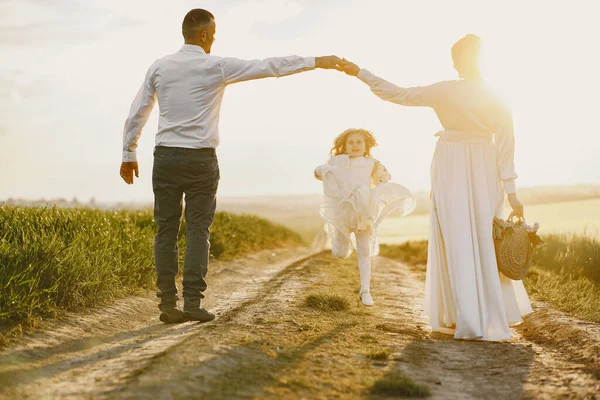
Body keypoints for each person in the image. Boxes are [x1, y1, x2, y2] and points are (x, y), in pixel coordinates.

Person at [119, 8, 343, 324]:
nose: (214, 39)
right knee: (198, 230)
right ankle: (194, 304)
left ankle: (168, 306)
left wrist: (129, 154)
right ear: (205, 35)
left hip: (165, 157)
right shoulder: (217, 66)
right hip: (201, 160)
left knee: (165, 230)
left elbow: (138, 111)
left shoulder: (160, 66)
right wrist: (317, 61)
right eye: (213, 34)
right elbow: (270, 66)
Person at [338, 35, 533, 340]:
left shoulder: (446, 89)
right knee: (482, 238)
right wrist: (511, 192)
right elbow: (506, 144)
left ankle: (462, 317)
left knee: (456, 238)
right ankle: (477, 316)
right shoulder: (495, 94)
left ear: (456, 61)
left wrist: (359, 72)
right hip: (484, 165)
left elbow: (398, 94)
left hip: (452, 161)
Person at [314, 128, 415, 306]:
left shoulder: (371, 163)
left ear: (366, 145)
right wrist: (323, 169)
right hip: (343, 210)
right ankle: (343, 246)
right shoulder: (337, 161)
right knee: (340, 252)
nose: (355, 145)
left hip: (363, 211)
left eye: (359, 142)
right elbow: (319, 174)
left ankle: (365, 290)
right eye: (351, 142)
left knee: (364, 250)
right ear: (344, 145)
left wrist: (384, 179)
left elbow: (381, 179)